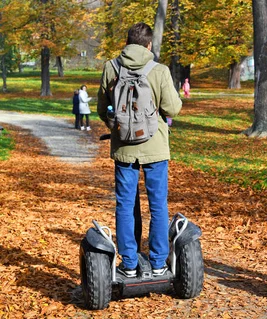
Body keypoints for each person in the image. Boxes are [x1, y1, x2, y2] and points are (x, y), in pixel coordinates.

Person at [97, 22, 182, 278]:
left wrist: (116, 124)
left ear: (127, 43)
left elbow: (103, 108)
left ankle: (130, 264)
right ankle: (157, 263)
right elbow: (173, 109)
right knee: (157, 204)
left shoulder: (111, 68)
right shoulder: (159, 70)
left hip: (124, 147)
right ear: (149, 45)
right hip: (155, 147)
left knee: (125, 204)